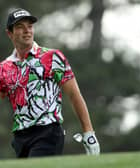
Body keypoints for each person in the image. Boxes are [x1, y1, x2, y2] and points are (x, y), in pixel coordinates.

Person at [0, 8, 100, 158]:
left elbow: (74, 94)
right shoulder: (4, 68)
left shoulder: (52, 57)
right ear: (9, 33)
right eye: (20, 27)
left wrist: (89, 133)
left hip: (48, 132)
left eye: (30, 26)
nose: (27, 31)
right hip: (20, 137)